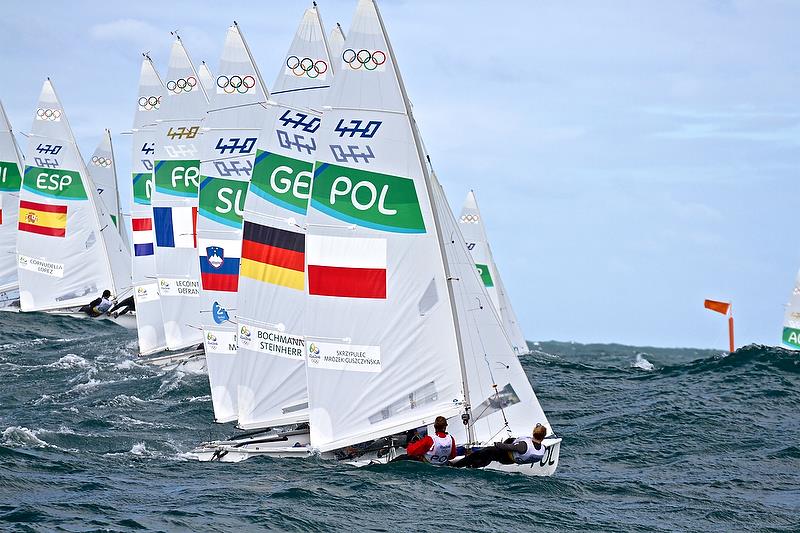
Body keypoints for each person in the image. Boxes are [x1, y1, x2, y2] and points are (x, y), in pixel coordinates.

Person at [450, 423, 548, 468]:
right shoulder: (542, 448)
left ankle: (456, 465)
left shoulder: (524, 445)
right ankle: (474, 466)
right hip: (511, 461)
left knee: (486, 452)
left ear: (533, 432)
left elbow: (507, 447)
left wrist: (498, 444)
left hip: (505, 457)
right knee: (489, 457)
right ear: (543, 436)